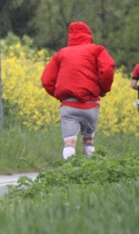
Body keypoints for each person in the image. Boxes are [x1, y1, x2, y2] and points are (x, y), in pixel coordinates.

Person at [40, 21, 115, 160]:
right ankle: (90, 171)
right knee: (88, 140)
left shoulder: (61, 53)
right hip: (90, 105)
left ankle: (69, 172)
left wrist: (60, 95)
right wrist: (103, 89)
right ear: (88, 35)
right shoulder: (97, 50)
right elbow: (107, 69)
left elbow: (46, 80)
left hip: (69, 106)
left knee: (69, 142)